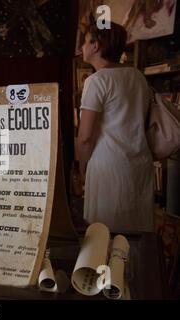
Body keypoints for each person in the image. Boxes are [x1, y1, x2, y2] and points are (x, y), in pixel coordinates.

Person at [77, 22, 154, 233]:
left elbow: (85, 137)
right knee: (136, 239)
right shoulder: (137, 76)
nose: (81, 48)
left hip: (108, 169)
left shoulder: (96, 81)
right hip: (139, 163)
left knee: (105, 241)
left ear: (96, 46)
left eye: (85, 42)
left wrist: (83, 169)